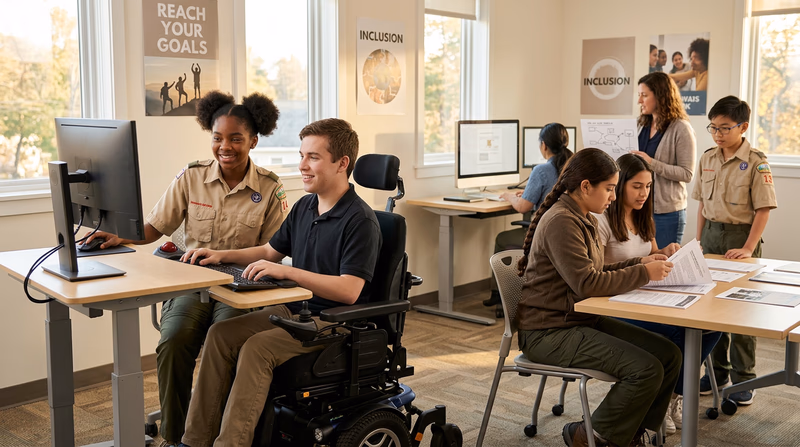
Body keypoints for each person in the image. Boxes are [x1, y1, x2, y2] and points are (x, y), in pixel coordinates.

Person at [84, 90, 286, 447]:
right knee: (173, 342)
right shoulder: (191, 177)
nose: (225, 146)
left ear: (253, 141)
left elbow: (273, 253)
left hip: (240, 288)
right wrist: (117, 235)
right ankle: (176, 438)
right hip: (192, 283)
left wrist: (226, 259)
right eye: (217, 137)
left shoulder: (270, 189)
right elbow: (153, 228)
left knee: (221, 345)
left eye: (236, 138)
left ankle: (214, 434)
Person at [178, 118, 382, 447]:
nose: (302, 165)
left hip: (335, 323)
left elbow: (349, 290)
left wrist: (289, 272)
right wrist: (221, 254)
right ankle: (195, 440)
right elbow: (270, 251)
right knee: (220, 335)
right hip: (297, 312)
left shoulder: (360, 220)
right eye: (302, 155)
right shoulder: (305, 206)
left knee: (258, 348)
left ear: (342, 163)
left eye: (313, 157)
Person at [515, 148, 682, 447]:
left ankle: (629, 435)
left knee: (669, 355)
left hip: (576, 320)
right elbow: (587, 283)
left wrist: (639, 263)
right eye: (609, 189)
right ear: (585, 186)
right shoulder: (562, 222)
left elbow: (597, 269)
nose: (614, 197)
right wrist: (645, 274)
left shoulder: (582, 216)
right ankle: (591, 436)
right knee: (645, 369)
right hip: (548, 332)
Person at [595, 153, 722, 435]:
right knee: (678, 335)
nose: (644, 193)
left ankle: (673, 394)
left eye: (648, 186)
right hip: (616, 306)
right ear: (619, 185)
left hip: (646, 298)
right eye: (637, 186)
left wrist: (665, 253)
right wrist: (643, 265)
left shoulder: (642, 217)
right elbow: (596, 271)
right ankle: (662, 399)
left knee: (711, 327)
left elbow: (651, 253)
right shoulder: (602, 220)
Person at [693, 96, 777, 406]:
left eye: (724, 128)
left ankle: (746, 378)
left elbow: (764, 209)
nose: (717, 134)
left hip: (741, 239)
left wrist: (748, 247)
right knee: (712, 311)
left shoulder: (756, 161)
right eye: (713, 127)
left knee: (741, 312)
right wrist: (698, 241)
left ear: (742, 126)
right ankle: (717, 373)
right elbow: (702, 203)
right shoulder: (707, 158)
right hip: (712, 237)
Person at [483, 123, 573, 308]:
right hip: (568, 232)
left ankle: (499, 295)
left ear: (544, 146)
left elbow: (523, 207)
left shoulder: (541, 170)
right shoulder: (572, 167)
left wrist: (508, 196)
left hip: (544, 235)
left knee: (502, 238)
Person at [631, 72, 696, 249]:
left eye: (644, 95)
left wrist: (652, 163)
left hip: (667, 213)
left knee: (666, 268)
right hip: (639, 209)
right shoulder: (639, 124)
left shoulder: (681, 128)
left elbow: (687, 173)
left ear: (660, 96)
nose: (639, 101)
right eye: (639, 95)